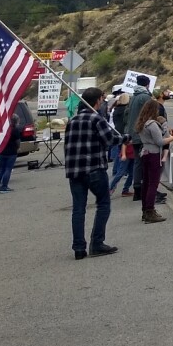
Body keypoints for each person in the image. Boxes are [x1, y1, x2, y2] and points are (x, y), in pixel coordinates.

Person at [64, 86, 123, 259]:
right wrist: (125, 138)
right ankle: (97, 243)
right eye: (102, 99)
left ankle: (79, 248)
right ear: (97, 100)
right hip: (94, 169)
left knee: (78, 209)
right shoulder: (96, 119)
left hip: (74, 171)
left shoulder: (72, 121)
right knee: (103, 204)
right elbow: (110, 140)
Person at [137, 99, 173, 223]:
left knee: (146, 183)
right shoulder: (152, 124)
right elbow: (160, 142)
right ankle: (150, 211)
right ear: (154, 110)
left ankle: (145, 210)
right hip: (154, 154)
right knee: (153, 184)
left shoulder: (142, 123)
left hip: (145, 153)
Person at [0, 116, 21, 192]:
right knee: (8, 169)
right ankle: (4, 186)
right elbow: (18, 142)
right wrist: (18, 148)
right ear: (16, 121)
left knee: (1, 170)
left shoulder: (3, 129)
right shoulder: (15, 130)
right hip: (11, 152)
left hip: (2, 151)